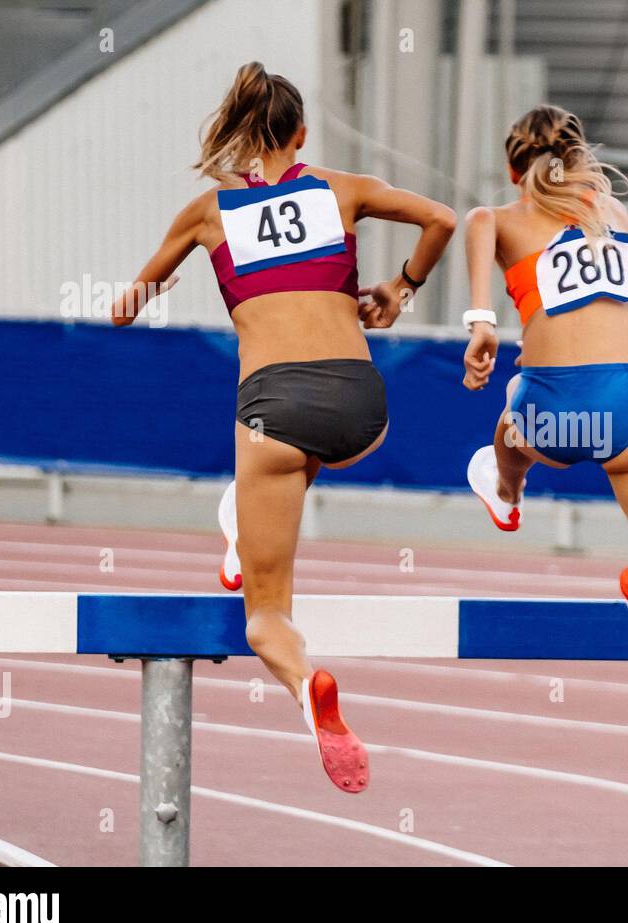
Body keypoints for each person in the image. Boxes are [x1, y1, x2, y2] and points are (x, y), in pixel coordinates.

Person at [111, 62, 456, 793]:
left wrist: (155, 286)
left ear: (239, 137)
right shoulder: (340, 188)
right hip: (363, 409)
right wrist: (401, 288)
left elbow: (123, 308)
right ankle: (241, 527)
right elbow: (443, 219)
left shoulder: (208, 213)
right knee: (302, 460)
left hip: (272, 408)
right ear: (300, 136)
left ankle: (307, 689)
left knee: (265, 616)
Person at [459, 105, 628, 685]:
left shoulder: (494, 218)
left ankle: (508, 488)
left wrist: (484, 324)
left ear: (515, 171)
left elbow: (478, 260)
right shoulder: (615, 214)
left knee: (516, 399)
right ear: (577, 155)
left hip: (550, 413)